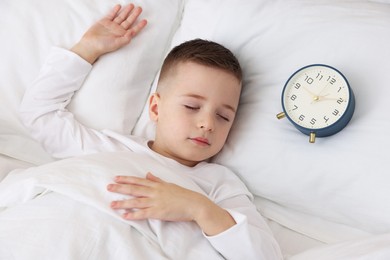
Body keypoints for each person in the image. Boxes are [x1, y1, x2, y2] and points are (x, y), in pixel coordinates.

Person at [18, 3, 282, 259]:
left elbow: (264, 254)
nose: (208, 124)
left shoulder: (218, 184)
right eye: (192, 106)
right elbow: (40, 115)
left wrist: (197, 207)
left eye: (223, 116)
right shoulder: (111, 151)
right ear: (156, 108)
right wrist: (85, 50)